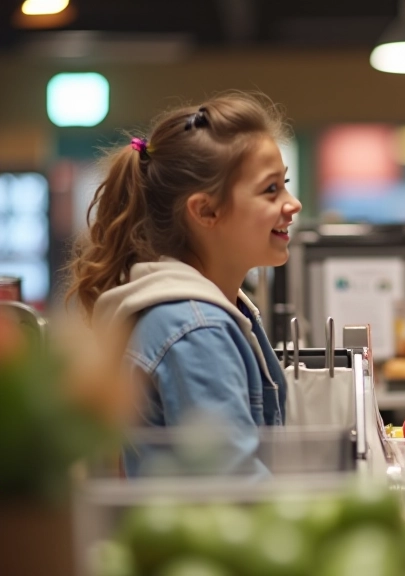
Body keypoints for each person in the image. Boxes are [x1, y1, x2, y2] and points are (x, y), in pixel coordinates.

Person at [65, 92, 301, 477]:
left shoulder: (207, 311)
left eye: (284, 183)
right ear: (205, 211)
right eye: (270, 189)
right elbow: (236, 490)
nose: (293, 204)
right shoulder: (196, 329)